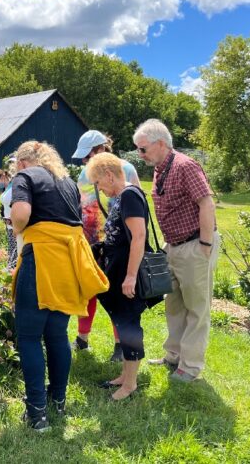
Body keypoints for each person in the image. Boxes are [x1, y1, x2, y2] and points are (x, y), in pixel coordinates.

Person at [10, 141, 108, 431]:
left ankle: (37, 413)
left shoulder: (25, 177)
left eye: (17, 164)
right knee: (57, 335)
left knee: (28, 338)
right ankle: (59, 401)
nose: (16, 169)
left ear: (25, 161)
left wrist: (18, 229)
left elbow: (21, 214)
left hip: (41, 261)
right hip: (67, 264)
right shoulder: (67, 183)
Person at [132, 119, 219, 383]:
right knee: (174, 304)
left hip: (195, 244)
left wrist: (204, 244)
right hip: (175, 246)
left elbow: (206, 204)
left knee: (196, 308)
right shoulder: (161, 168)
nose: (140, 154)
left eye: (143, 149)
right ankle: (173, 355)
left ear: (161, 144)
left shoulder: (185, 166)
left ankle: (190, 367)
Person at [71, 130, 140, 361]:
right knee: (88, 290)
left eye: (87, 155)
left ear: (101, 148)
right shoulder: (83, 173)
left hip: (117, 245)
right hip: (90, 242)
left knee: (115, 293)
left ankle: (120, 345)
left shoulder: (126, 168)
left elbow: (137, 204)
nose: (84, 161)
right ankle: (82, 337)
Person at [85, 152, 151, 400]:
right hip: (119, 270)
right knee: (123, 323)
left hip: (127, 272)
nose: (101, 190)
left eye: (100, 184)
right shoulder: (123, 197)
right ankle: (125, 374)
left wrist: (131, 276)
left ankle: (131, 384)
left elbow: (139, 238)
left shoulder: (130, 196)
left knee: (129, 324)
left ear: (109, 176)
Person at [0, 163, 18, 270]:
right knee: (12, 250)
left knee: (15, 251)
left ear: (2, 177)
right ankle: (11, 272)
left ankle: (12, 274)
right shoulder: (6, 188)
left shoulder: (14, 185)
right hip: (9, 224)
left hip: (15, 224)